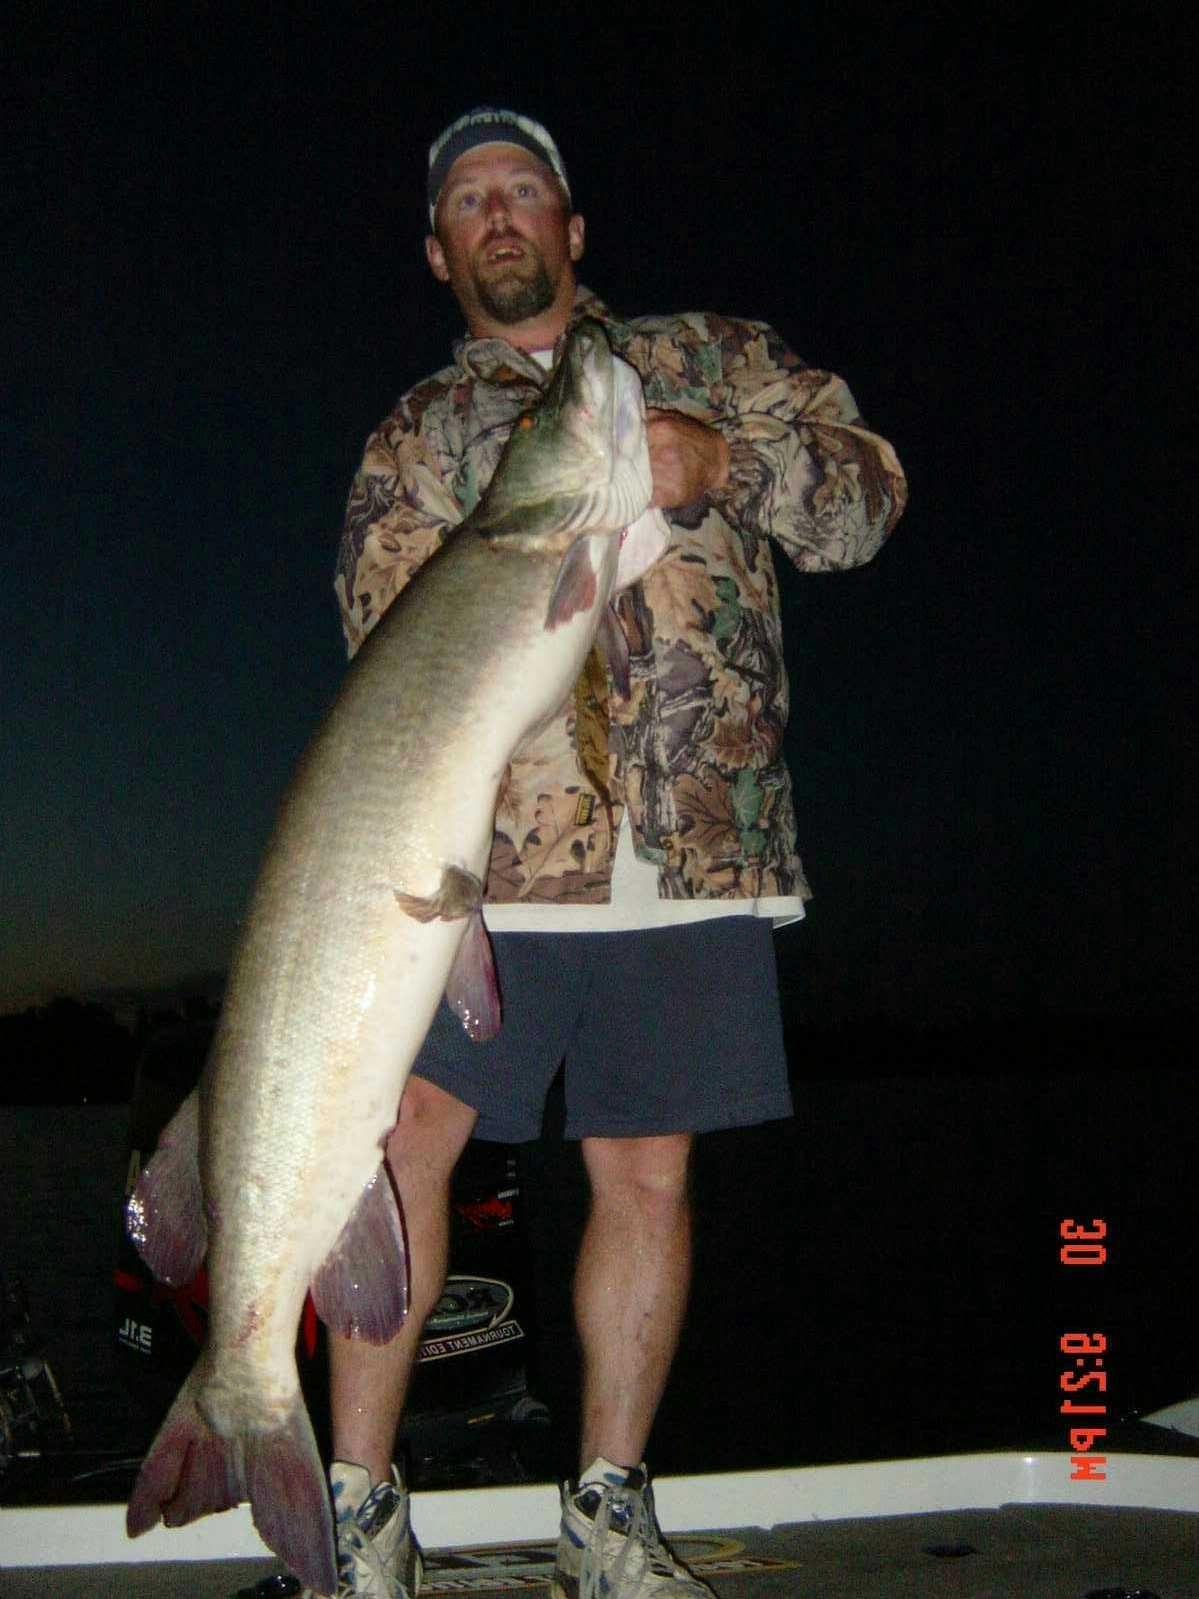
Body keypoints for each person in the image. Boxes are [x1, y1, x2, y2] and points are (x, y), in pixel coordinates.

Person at [313, 107, 907, 1599]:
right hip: (490, 873)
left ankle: (608, 1517)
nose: (499, 215)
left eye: (524, 190)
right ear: (439, 252)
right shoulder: (415, 436)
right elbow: (384, 658)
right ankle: (359, 1515)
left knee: (646, 1175)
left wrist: (730, 464)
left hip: (699, 856)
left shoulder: (711, 356)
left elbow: (866, 499)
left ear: (573, 228)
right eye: (469, 200)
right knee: (405, 1148)